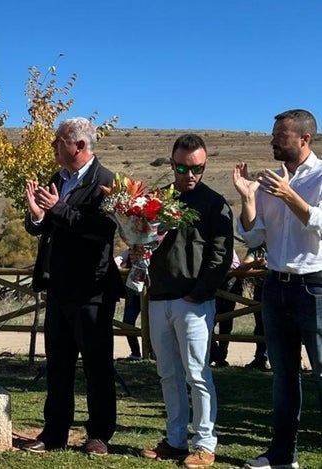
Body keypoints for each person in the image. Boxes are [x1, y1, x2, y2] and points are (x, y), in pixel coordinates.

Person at [21, 117, 125, 456]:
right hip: (59, 286)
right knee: (58, 364)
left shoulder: (106, 182)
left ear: (79, 146)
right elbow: (45, 226)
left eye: (58, 140)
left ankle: (98, 435)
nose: (53, 145)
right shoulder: (58, 179)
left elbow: (101, 229)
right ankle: (54, 432)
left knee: (96, 364)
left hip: (92, 289)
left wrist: (58, 208)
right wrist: (37, 214)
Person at [234, 109, 322, 469]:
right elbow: (254, 236)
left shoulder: (319, 177)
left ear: (304, 139)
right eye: (273, 135)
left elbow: (319, 224)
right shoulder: (271, 181)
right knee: (283, 376)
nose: (272, 141)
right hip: (275, 286)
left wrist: (289, 195)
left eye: (280, 136)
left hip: (314, 288)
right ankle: (283, 455)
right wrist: (248, 200)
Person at [141, 134, 233, 468]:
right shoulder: (157, 200)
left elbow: (221, 255)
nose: (190, 175)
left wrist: (200, 293)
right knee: (168, 374)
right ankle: (176, 440)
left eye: (197, 168)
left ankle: (205, 444)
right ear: (172, 163)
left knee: (197, 374)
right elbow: (144, 241)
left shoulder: (214, 203)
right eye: (182, 167)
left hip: (193, 302)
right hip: (160, 297)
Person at [240, 243, 270, 370]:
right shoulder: (257, 248)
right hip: (262, 289)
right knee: (260, 325)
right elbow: (244, 264)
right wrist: (255, 264)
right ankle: (261, 358)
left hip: (283, 288)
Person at [209, 249, 241, 368]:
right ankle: (214, 353)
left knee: (226, 324)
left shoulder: (229, 249)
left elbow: (235, 265)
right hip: (213, 290)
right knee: (208, 323)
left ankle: (221, 356)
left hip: (228, 288)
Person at [115, 248, 142, 360]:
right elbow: (118, 260)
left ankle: (153, 353)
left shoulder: (155, 249)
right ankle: (135, 353)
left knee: (154, 327)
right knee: (127, 323)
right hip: (133, 296)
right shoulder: (130, 250)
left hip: (151, 296)